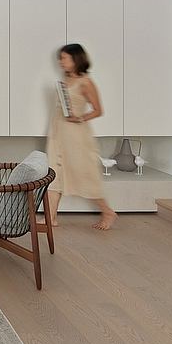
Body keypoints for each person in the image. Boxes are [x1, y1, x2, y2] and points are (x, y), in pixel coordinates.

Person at [45, 43, 117, 231]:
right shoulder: (64, 80)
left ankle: (107, 211)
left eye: (64, 58)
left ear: (76, 59)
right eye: (60, 58)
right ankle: (50, 218)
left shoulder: (86, 82)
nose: (60, 62)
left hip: (75, 135)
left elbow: (98, 110)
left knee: (84, 172)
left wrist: (80, 118)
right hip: (57, 132)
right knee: (54, 173)